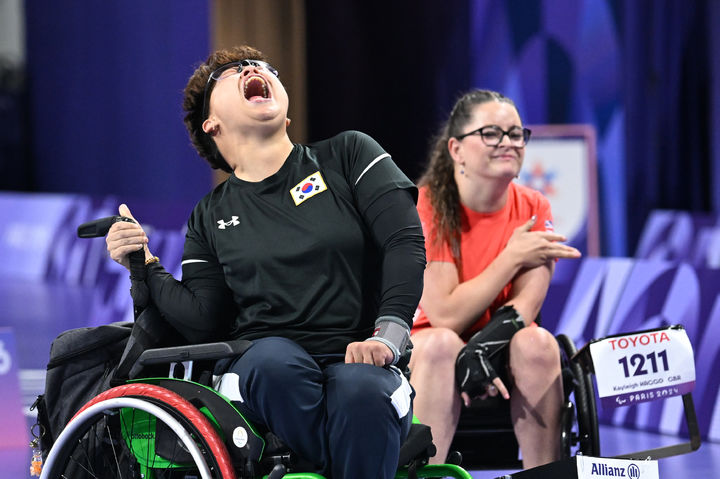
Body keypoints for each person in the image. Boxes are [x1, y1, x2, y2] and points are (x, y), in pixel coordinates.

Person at [105, 45, 426, 479]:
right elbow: (204, 320)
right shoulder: (209, 215)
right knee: (275, 361)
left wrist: (387, 337)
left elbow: (404, 241)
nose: (253, 69)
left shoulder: (350, 155)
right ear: (211, 124)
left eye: (262, 66)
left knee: (361, 390)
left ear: (287, 113)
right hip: (264, 371)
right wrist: (144, 263)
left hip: (363, 356)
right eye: (231, 71)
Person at [408, 89, 582, 469]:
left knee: (537, 342)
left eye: (516, 134)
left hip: (500, 344)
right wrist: (513, 255)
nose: (508, 143)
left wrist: (481, 349)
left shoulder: (534, 206)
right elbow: (447, 315)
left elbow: (525, 306)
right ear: (456, 149)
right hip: (431, 348)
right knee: (441, 344)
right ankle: (426, 474)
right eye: (491, 133)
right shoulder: (429, 204)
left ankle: (544, 473)